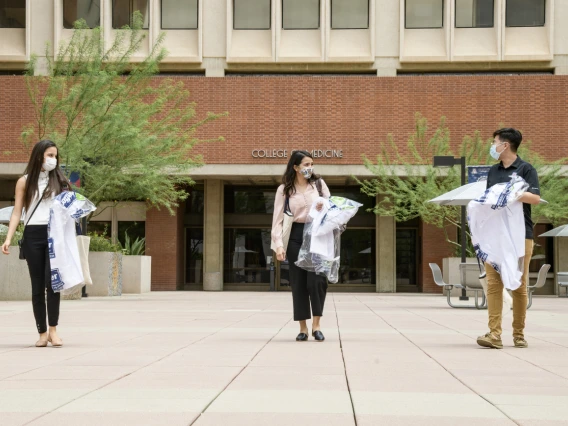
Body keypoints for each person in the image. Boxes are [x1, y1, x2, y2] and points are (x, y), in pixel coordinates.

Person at [1, 140, 70, 348]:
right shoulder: (24, 181)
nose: (53, 159)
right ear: (39, 155)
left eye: (55, 156)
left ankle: (53, 331)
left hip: (53, 234)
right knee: (37, 286)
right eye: (50, 155)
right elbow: (16, 212)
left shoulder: (60, 181)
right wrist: (8, 238)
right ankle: (41, 332)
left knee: (53, 284)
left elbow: (68, 211)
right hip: (32, 234)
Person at [477, 128, 540, 349]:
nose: (492, 146)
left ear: (506, 145)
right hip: (495, 236)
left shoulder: (526, 169)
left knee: (518, 285)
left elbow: (535, 198)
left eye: (494, 142)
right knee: (494, 284)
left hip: (521, 236)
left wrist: (513, 193)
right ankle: (494, 334)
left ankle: (519, 334)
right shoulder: (493, 171)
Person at [272, 150, 330, 342]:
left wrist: (324, 209)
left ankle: (317, 325)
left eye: (311, 164)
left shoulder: (319, 185)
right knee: (299, 283)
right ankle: (303, 328)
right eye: (306, 165)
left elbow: (331, 212)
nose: (310, 168)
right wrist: (279, 245)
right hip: (296, 236)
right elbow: (278, 220)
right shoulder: (284, 190)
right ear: (296, 167)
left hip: (317, 235)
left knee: (317, 281)